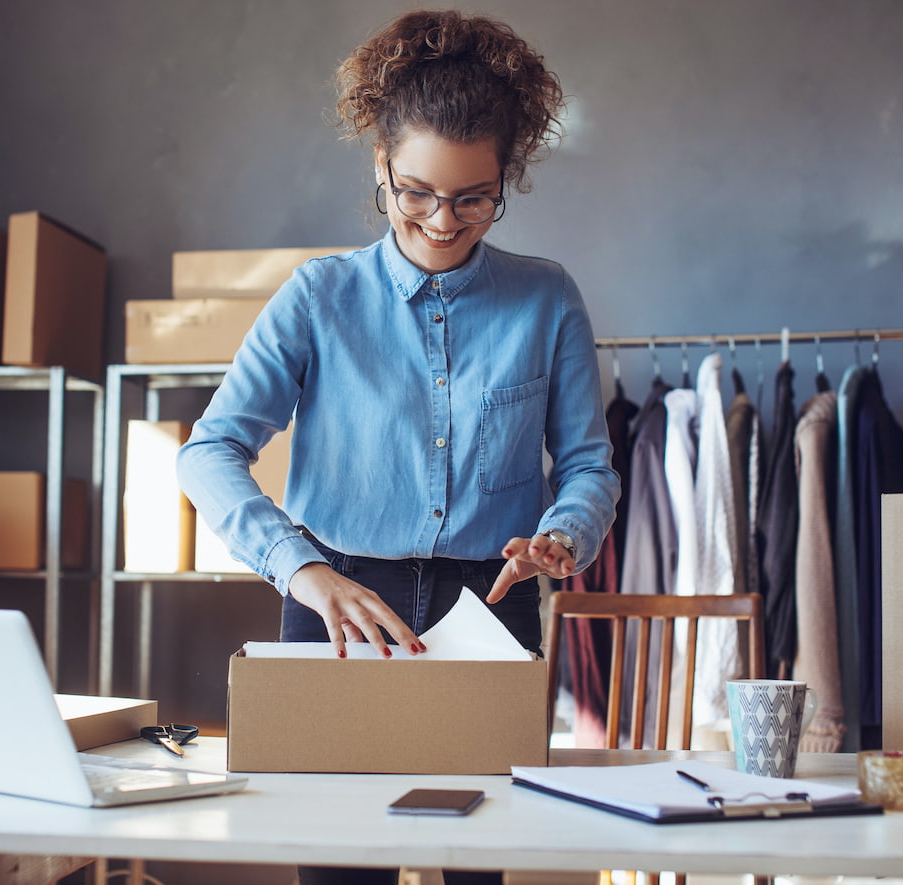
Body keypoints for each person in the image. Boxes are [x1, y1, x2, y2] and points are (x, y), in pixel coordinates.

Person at [178, 10, 618, 882]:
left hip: (489, 604)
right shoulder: (318, 296)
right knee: (340, 863)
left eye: (472, 198)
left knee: (477, 858)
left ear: (507, 180)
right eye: (415, 192)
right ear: (381, 168)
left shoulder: (548, 299)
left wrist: (565, 533)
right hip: (338, 599)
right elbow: (209, 450)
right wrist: (298, 567)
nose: (443, 221)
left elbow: (587, 466)